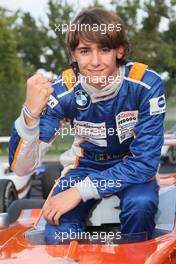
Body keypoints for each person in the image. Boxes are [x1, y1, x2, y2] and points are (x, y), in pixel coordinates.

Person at [9, 7, 166, 244]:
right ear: (73, 55)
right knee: (57, 223)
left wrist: (78, 191)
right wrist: (29, 114)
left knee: (141, 204)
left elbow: (144, 163)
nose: (94, 62)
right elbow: (22, 169)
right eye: (84, 50)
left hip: (132, 164)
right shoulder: (63, 91)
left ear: (119, 50)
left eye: (104, 50)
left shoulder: (146, 83)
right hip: (86, 164)